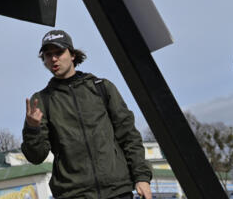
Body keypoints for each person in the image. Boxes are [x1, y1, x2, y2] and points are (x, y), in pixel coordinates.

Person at [22, 29, 153, 199]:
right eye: (48, 55)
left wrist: (142, 177)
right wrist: (32, 129)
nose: (54, 59)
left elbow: (129, 136)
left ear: (73, 55)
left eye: (59, 52)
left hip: (118, 191)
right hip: (74, 194)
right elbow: (36, 157)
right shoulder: (41, 101)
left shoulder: (102, 88)